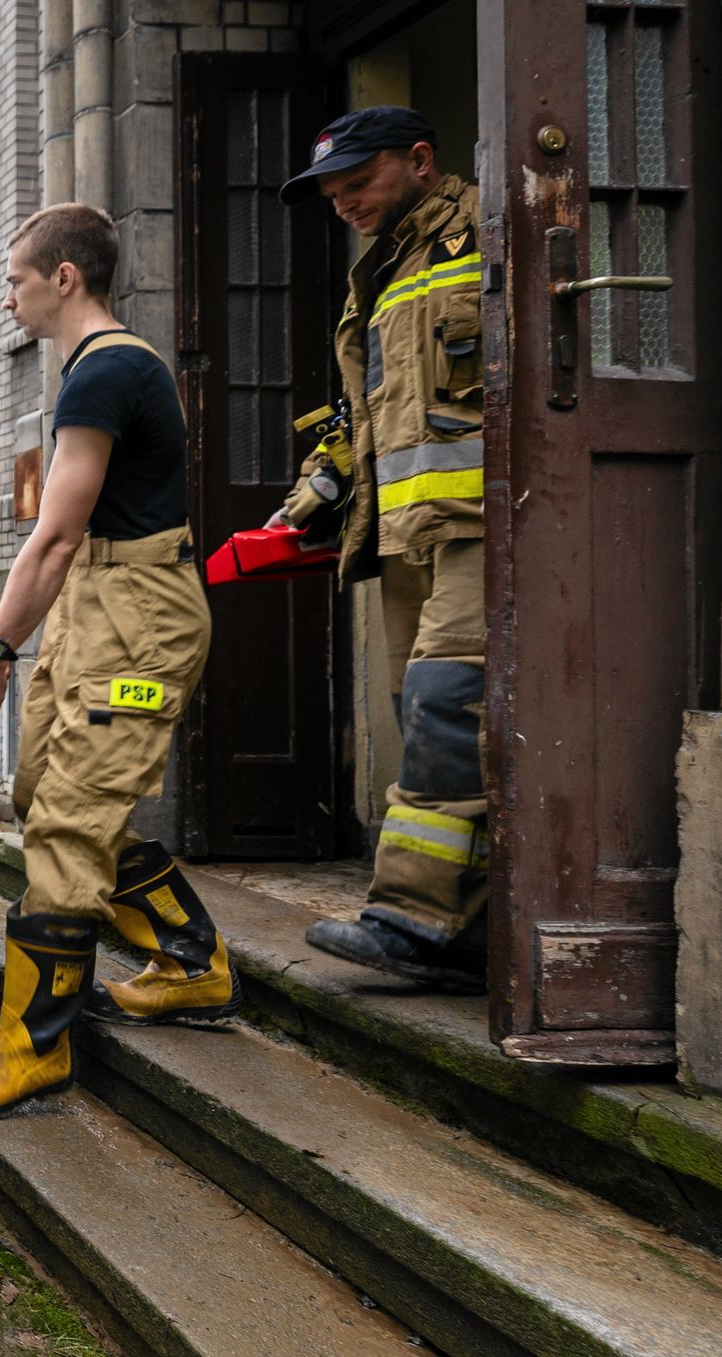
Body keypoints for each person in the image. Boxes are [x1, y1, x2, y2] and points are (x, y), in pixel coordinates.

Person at [0, 203, 240, 1123]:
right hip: (101, 605)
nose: (6, 295)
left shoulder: (105, 372)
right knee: (42, 791)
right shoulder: (95, 372)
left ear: (65, 277)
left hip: (136, 618)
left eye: (16, 278)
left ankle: (32, 1049)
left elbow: (54, 535)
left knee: (67, 824)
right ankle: (191, 960)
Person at [275, 107, 488, 993]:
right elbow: (373, 414)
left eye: (357, 183)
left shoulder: (489, 230)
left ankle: (410, 918)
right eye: (331, 194)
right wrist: (314, 492)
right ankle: (468, 932)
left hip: (486, 525)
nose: (344, 203)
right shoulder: (381, 273)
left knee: (447, 708)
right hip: (406, 538)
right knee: (430, 720)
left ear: (422, 160)